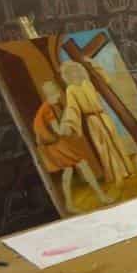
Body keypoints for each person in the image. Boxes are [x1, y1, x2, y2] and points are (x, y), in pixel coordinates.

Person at [33, 80, 110, 213]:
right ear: (54, 93)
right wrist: (68, 120)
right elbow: (59, 131)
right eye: (57, 94)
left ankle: (69, 204)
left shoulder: (44, 107)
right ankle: (101, 197)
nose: (59, 97)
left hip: (52, 146)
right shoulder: (48, 109)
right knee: (83, 164)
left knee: (68, 171)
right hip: (56, 145)